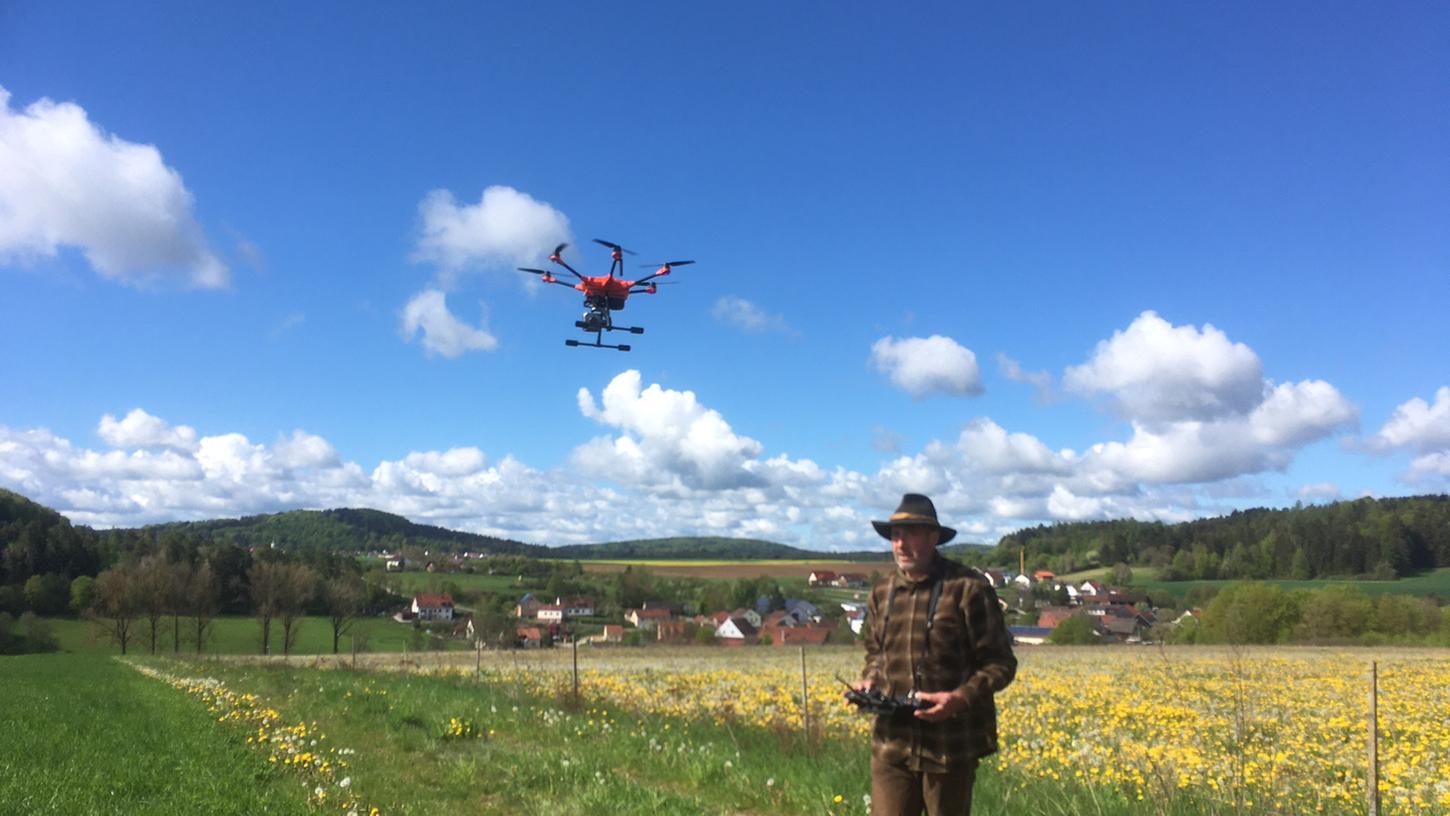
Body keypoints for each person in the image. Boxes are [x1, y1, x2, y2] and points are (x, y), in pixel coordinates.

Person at [849, 493, 1017, 816]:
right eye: (895, 536)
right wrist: (869, 682)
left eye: (910, 534)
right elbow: (875, 654)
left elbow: (1001, 663)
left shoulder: (969, 588)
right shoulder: (881, 592)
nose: (900, 544)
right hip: (891, 745)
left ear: (934, 538)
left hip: (949, 747)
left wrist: (960, 697)